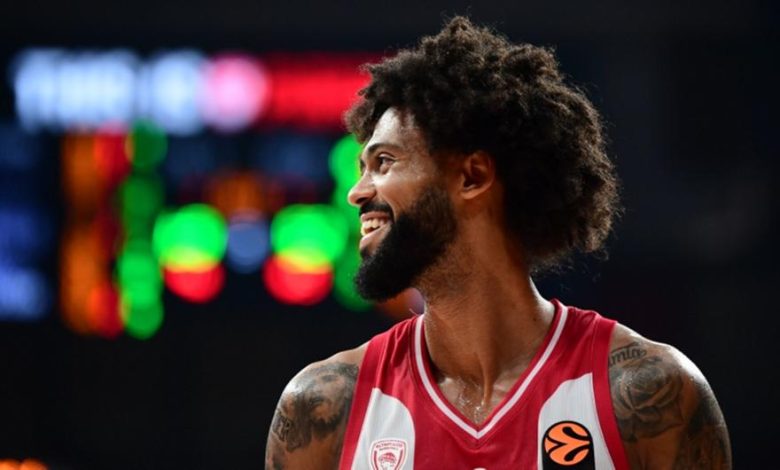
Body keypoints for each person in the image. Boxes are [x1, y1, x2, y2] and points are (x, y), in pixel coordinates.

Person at [265, 16, 731, 470]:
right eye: (361, 169)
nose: (357, 192)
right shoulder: (324, 408)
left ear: (472, 176)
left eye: (384, 162)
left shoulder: (650, 393)